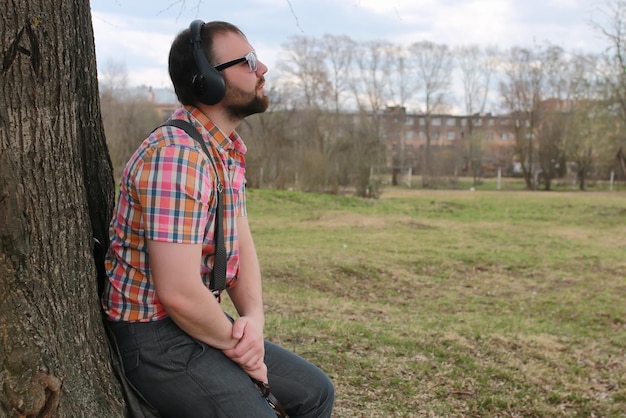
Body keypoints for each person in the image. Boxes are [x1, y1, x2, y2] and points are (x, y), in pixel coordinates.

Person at [102, 20, 334, 417]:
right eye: (248, 61)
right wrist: (241, 351)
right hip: (153, 337)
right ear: (207, 81)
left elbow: (240, 246)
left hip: (194, 320)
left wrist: (254, 321)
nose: (262, 70)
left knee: (315, 392)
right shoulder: (177, 157)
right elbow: (177, 291)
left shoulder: (224, 150)